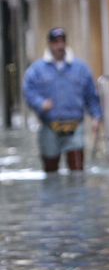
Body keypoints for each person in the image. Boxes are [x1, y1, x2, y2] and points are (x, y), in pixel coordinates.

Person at [23, 27, 102, 173]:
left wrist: (96, 117)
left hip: (74, 126)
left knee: (77, 171)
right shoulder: (36, 70)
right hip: (50, 126)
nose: (59, 46)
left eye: (62, 42)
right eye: (55, 42)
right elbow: (29, 92)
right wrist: (41, 104)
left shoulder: (81, 69)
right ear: (49, 44)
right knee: (50, 172)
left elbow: (91, 95)